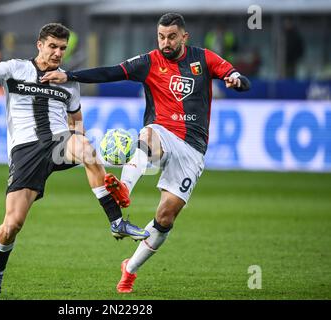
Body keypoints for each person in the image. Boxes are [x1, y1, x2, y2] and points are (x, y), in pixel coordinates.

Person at [42, 13, 251, 293]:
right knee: (149, 134)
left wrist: (236, 79)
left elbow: (237, 76)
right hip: (163, 131)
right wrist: (68, 75)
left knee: (166, 217)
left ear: (184, 37)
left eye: (172, 37)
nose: (166, 42)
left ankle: (129, 269)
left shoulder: (203, 58)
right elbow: (110, 72)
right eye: (161, 36)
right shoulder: (150, 61)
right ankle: (124, 188)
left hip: (193, 148)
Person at [0, 23, 150, 295]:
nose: (57, 53)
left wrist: (79, 141)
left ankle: (116, 221)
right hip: (26, 151)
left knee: (85, 146)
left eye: (62, 48)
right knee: (12, 225)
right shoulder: (16, 69)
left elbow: (76, 119)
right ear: (39, 45)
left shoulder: (68, 80)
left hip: (59, 142)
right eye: (52, 46)